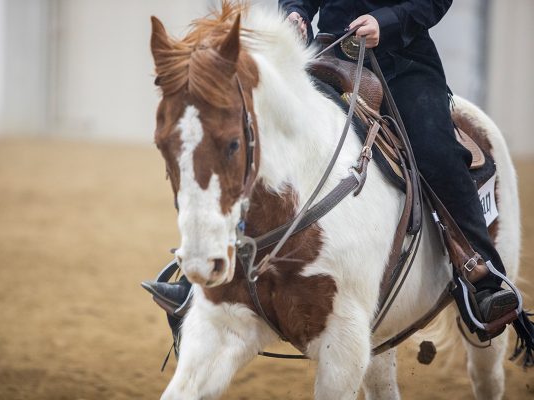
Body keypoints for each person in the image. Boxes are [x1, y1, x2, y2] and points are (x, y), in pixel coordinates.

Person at [145, 0, 521, 341]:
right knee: (258, 141)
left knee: (436, 152)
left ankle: (481, 275)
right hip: (328, 57)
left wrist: (384, 21)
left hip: (404, 63)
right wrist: (296, 12)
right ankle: (203, 283)